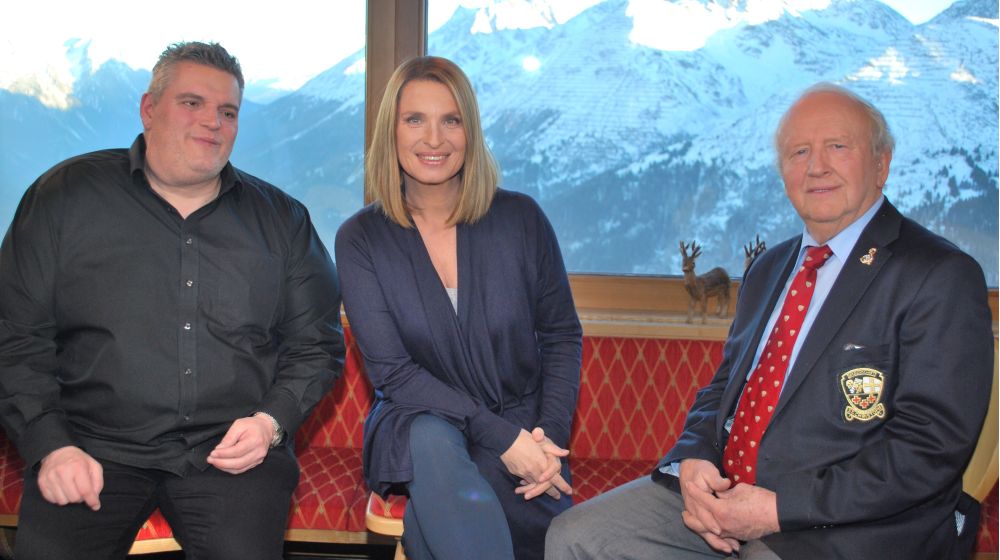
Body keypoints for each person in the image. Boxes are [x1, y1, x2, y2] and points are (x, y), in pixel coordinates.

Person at [545, 83, 993, 559]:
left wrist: (777, 510)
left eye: (837, 147)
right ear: (783, 173)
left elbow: (930, 448)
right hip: (731, 494)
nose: (816, 166)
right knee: (575, 536)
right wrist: (692, 458)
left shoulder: (939, 275)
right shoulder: (769, 269)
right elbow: (723, 389)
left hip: (849, 523)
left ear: (882, 164)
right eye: (799, 152)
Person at [0, 41, 345, 560]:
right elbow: (15, 334)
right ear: (148, 108)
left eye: (227, 111)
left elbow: (317, 343)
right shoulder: (63, 198)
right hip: (90, 445)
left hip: (233, 451)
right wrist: (50, 443)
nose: (212, 122)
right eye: (192, 103)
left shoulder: (283, 221)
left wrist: (270, 422)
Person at [335, 56, 582, 560]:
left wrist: (546, 440)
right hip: (416, 417)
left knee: (438, 525)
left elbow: (561, 336)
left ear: (470, 129)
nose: (434, 139)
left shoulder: (521, 218)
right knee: (427, 436)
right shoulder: (360, 239)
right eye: (415, 120)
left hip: (522, 420)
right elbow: (395, 375)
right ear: (391, 131)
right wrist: (505, 440)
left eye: (451, 119)